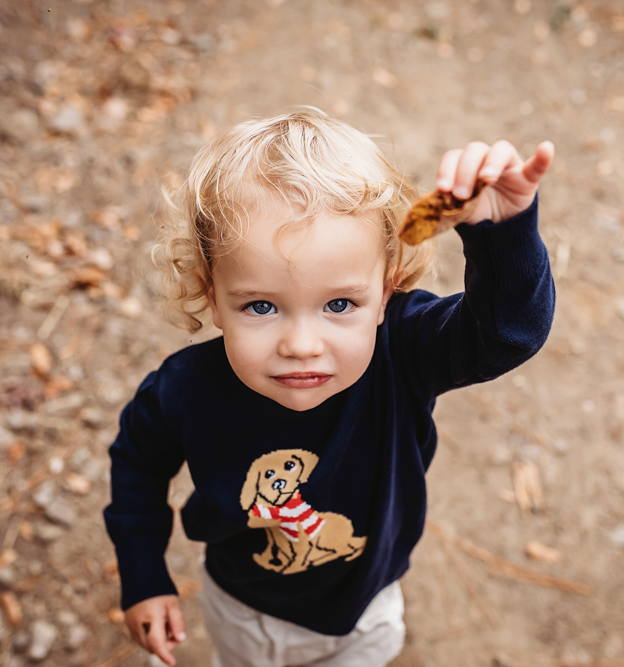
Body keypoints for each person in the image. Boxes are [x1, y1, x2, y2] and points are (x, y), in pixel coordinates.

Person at [103, 108, 555, 667]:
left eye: (339, 304)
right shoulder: (182, 390)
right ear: (211, 293)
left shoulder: (403, 352)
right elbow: (137, 464)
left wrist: (503, 232)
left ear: (387, 290)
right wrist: (143, 574)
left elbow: (508, 334)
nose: (301, 344)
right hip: (242, 607)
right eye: (261, 305)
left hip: (363, 611)